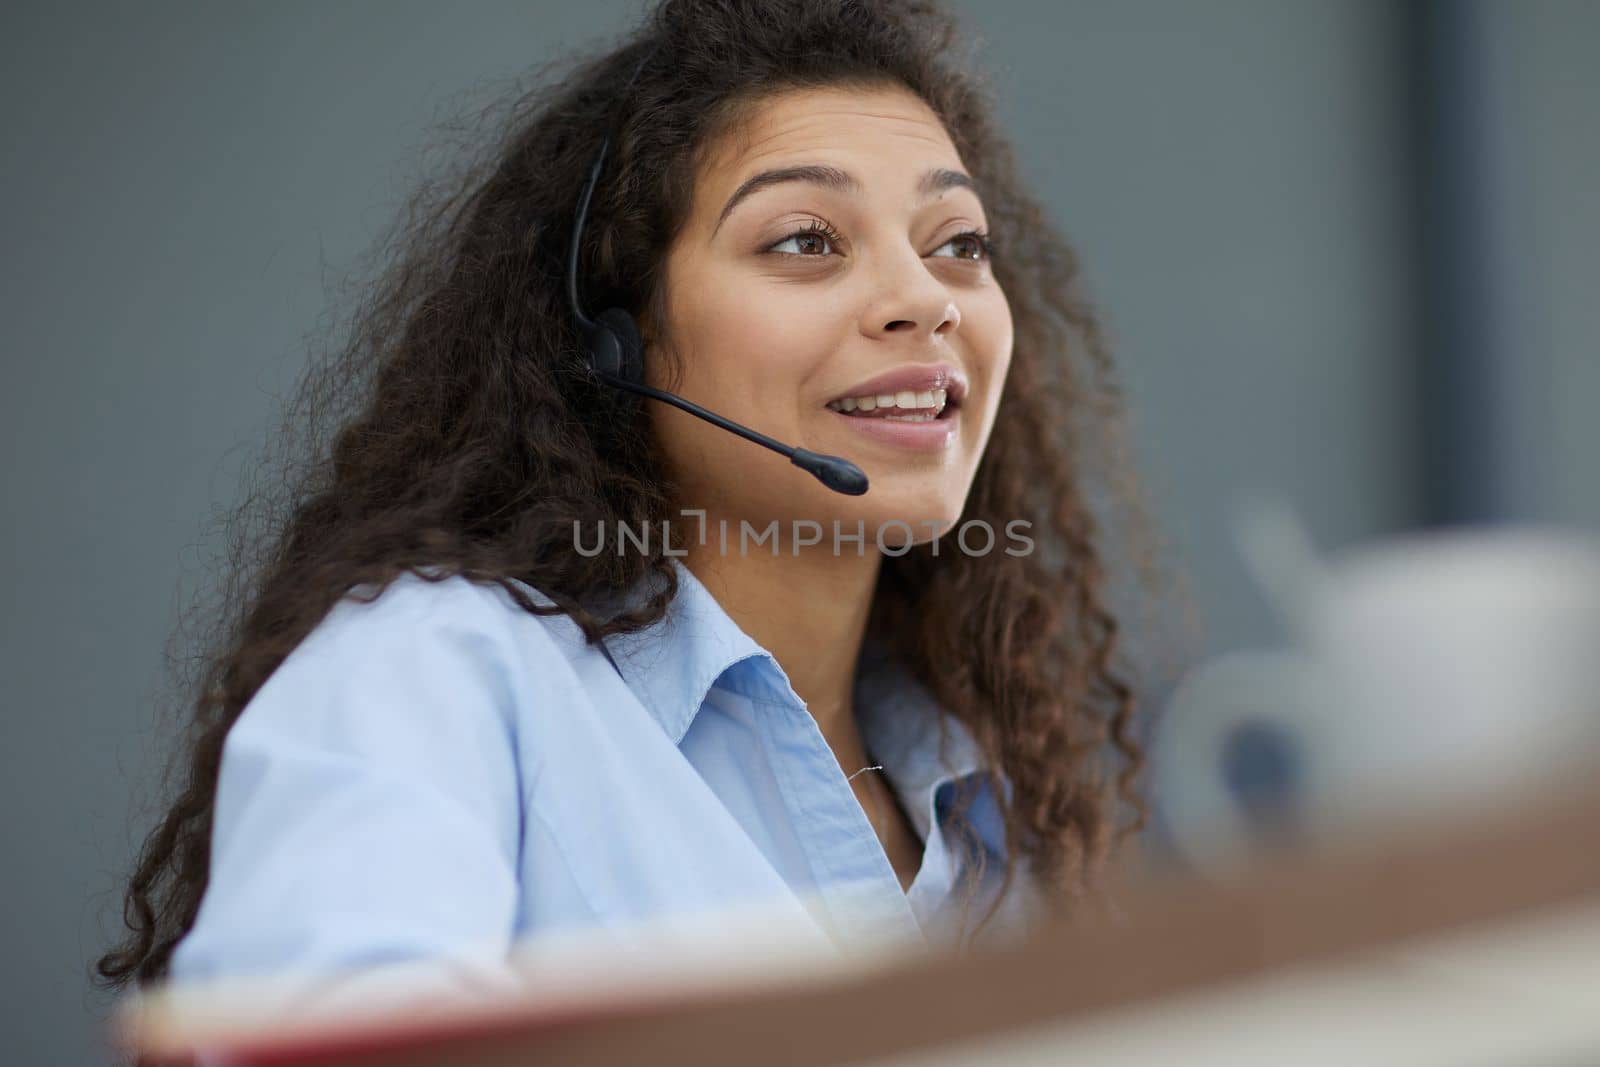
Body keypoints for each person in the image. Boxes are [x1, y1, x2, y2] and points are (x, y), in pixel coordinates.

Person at [97, 0, 1153, 1008]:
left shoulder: (990, 789)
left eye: (957, 242)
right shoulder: (431, 676)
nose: (925, 297)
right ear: (618, 340)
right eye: (804, 239)